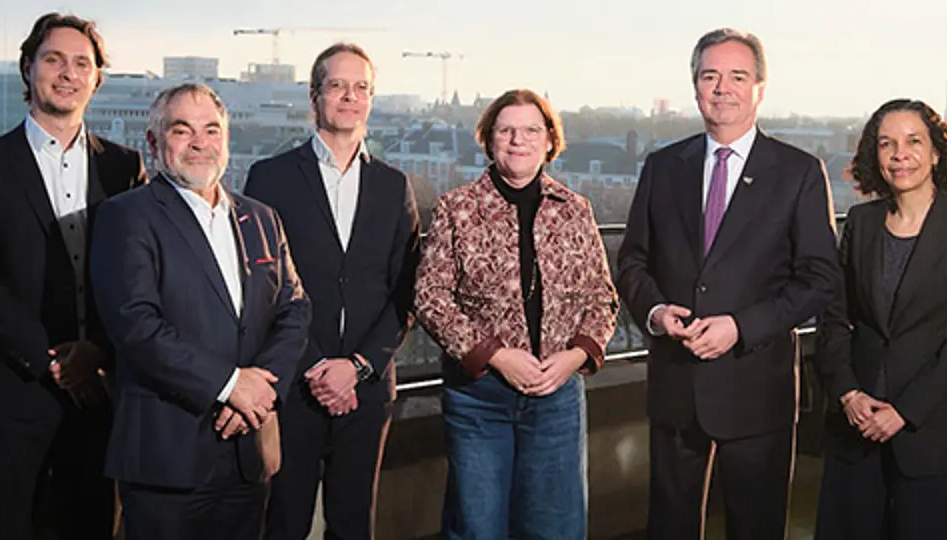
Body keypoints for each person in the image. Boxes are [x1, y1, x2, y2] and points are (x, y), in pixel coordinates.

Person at [614, 28, 840, 539]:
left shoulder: (799, 172)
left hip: (755, 389)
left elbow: (821, 277)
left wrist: (741, 326)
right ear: (695, 86)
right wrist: (654, 313)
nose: (722, 88)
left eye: (737, 76)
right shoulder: (662, 167)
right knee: (669, 527)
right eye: (710, 75)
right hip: (676, 386)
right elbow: (632, 261)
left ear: (760, 87)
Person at [0, 12, 140, 539]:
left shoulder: (124, 167)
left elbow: (137, 278)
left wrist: (95, 352)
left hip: (98, 397)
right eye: (54, 59)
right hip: (12, 394)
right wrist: (54, 363)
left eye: (82, 63)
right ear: (28, 68)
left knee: (93, 528)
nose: (68, 73)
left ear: (97, 78)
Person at [91, 82, 311, 540]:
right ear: (153, 143)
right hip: (165, 457)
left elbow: (295, 308)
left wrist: (261, 391)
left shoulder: (261, 218)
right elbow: (136, 326)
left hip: (246, 449)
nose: (199, 143)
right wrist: (231, 386)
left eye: (211, 130)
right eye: (182, 130)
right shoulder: (126, 217)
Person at [415, 88, 619, 540]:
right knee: (477, 528)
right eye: (506, 130)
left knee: (556, 528)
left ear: (550, 140)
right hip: (479, 397)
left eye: (531, 130)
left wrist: (576, 357)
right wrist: (497, 355)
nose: (518, 140)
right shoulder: (457, 209)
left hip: (558, 397)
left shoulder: (575, 210)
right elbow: (430, 296)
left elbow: (602, 298)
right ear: (489, 140)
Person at [245, 42, 420, 540]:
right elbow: (263, 287)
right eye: (338, 86)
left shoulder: (393, 185)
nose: (350, 96)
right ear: (315, 95)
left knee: (353, 524)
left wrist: (359, 366)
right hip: (293, 385)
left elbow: (405, 290)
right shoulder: (270, 178)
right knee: (283, 522)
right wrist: (317, 367)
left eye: (361, 87)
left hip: (366, 390)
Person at [812, 99, 947, 539]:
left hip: (930, 434)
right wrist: (849, 393)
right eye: (887, 144)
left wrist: (903, 412)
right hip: (856, 428)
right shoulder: (860, 222)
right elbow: (834, 318)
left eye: (914, 141)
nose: (900, 154)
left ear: (935, 152)